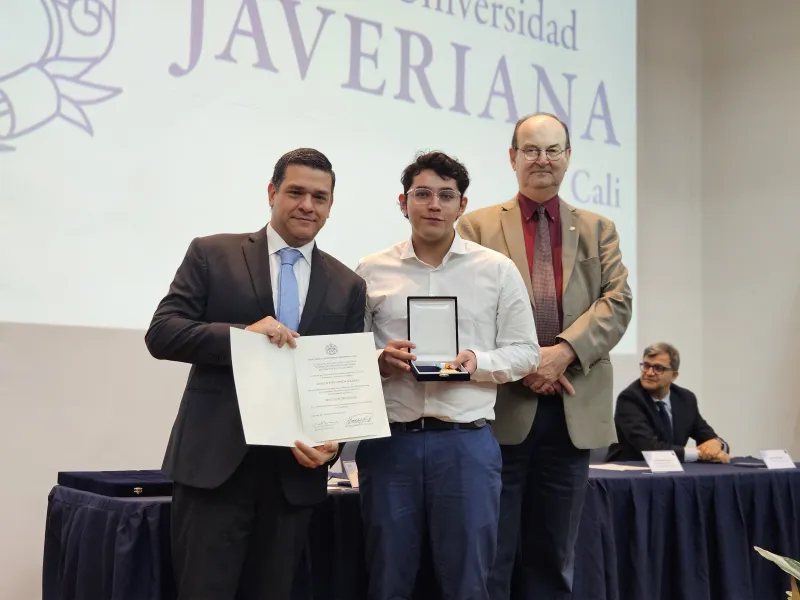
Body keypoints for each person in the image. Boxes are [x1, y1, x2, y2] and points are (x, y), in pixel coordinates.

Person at [144, 148, 367, 600]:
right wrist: (243, 335)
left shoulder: (348, 284)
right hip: (215, 469)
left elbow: (338, 379)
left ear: (330, 205)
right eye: (296, 192)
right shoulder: (212, 253)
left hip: (294, 477)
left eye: (320, 197)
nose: (308, 205)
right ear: (272, 193)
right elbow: (162, 333)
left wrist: (334, 443)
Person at [456, 113, 633, 600]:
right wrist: (527, 363)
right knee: (492, 556)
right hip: (499, 410)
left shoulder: (600, 229)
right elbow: (469, 310)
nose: (542, 160)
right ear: (512, 157)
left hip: (573, 412)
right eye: (531, 150)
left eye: (553, 150)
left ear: (569, 157)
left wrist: (564, 353)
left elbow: (617, 302)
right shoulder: (475, 225)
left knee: (554, 558)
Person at [354, 151, 540, 600]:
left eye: (445, 195)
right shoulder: (370, 270)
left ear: (462, 204)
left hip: (466, 447)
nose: (433, 204)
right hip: (390, 446)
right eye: (422, 194)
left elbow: (526, 352)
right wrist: (378, 360)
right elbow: (350, 356)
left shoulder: (496, 270)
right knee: (387, 581)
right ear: (403, 202)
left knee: (467, 584)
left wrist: (480, 362)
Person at [606, 342, 731, 463]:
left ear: (674, 375)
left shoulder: (685, 399)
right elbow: (649, 448)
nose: (649, 373)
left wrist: (718, 445)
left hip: (670, 472)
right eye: (646, 365)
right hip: (630, 473)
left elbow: (707, 436)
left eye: (658, 368)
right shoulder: (630, 399)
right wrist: (698, 453)